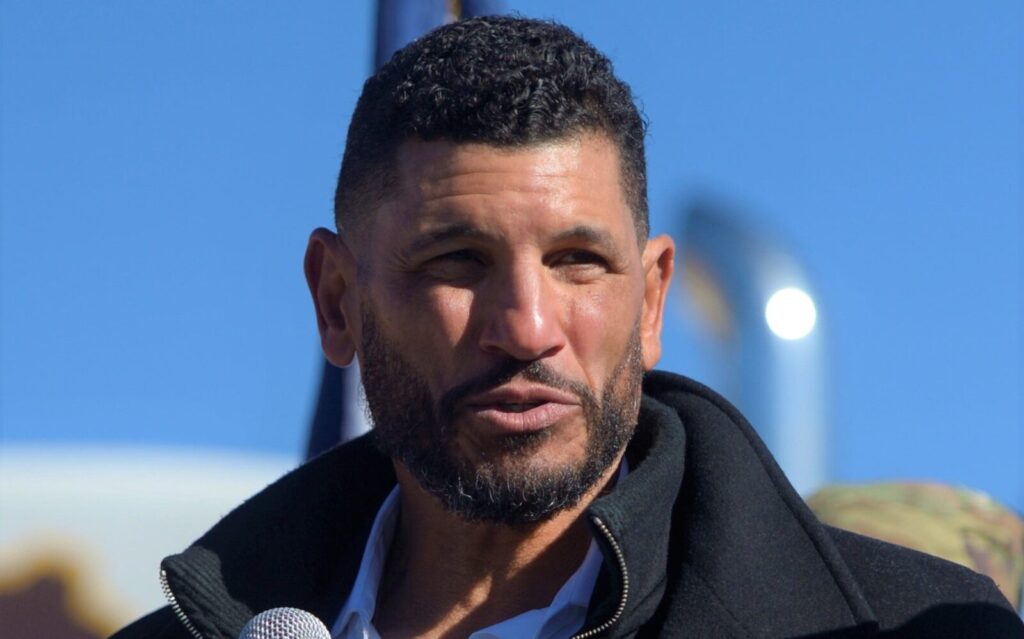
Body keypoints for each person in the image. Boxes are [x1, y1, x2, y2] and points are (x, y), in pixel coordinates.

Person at [112, 16, 1023, 639]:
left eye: (578, 260)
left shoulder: (913, 622)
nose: (527, 326)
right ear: (337, 301)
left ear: (654, 298)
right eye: (456, 261)